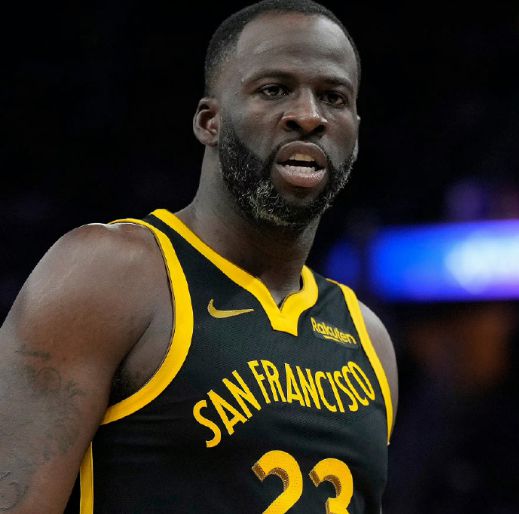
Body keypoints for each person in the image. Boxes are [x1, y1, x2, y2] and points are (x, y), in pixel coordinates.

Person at [0, 0, 398, 512]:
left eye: (333, 97)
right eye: (274, 89)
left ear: (356, 132)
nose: (308, 116)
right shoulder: (112, 273)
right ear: (210, 121)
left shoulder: (369, 341)